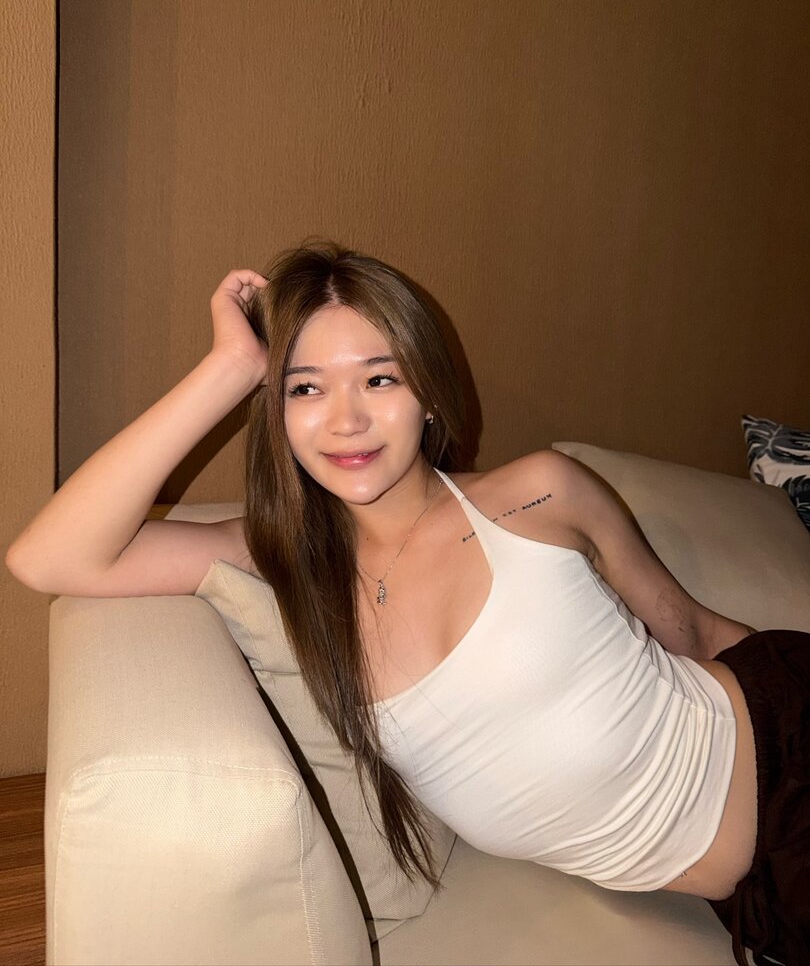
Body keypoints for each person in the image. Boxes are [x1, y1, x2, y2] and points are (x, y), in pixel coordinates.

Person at [6, 240, 808, 966]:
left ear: (428, 396)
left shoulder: (538, 494)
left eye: (379, 378)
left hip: (786, 746)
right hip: (753, 897)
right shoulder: (285, 565)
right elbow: (47, 557)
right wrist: (228, 368)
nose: (347, 419)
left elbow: (692, 630)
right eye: (305, 387)